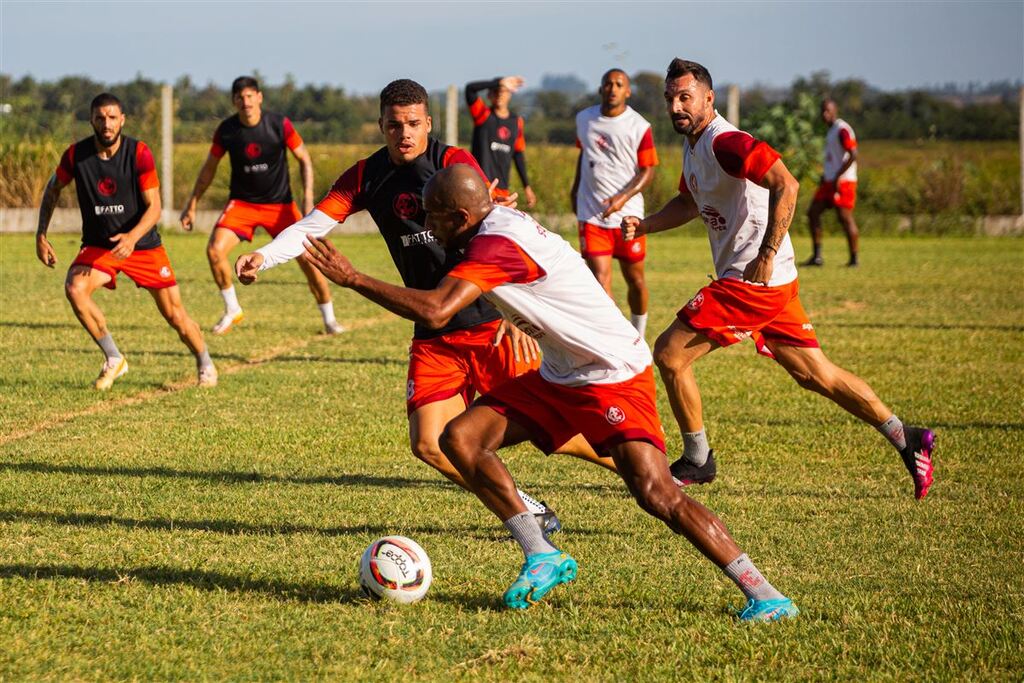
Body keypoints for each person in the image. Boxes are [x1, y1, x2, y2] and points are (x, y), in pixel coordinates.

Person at [298, 164, 798, 621]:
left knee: (656, 493)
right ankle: (541, 553)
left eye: (434, 217)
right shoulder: (491, 226)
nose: (426, 227)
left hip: (610, 372)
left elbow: (435, 310)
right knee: (461, 439)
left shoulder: (495, 245)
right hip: (562, 370)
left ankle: (765, 593)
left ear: (461, 216)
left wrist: (353, 278)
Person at [235, 79, 614, 531]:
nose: (404, 133)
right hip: (433, 332)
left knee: (559, 431)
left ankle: (647, 471)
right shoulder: (366, 176)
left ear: (428, 123)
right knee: (430, 443)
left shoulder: (453, 163)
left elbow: (501, 229)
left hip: (489, 322)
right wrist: (264, 255)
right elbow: (313, 225)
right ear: (381, 126)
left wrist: (519, 314)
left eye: (413, 123)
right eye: (394, 125)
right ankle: (526, 509)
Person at [621, 59, 935, 499]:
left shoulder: (727, 141)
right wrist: (647, 225)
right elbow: (690, 202)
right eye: (671, 98)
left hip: (753, 280)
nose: (676, 106)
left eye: (685, 97)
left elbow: (786, 184)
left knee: (670, 355)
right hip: (768, 282)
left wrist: (767, 253)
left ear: (708, 99)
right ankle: (907, 437)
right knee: (815, 374)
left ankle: (697, 460)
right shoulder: (694, 147)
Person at [35, 93, 217, 390]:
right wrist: (41, 234)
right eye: (99, 118)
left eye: (111, 117)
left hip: (143, 245)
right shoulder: (76, 156)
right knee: (75, 288)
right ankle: (113, 357)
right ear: (91, 120)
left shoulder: (138, 152)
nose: (106, 124)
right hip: (100, 246)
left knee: (175, 314)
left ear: (122, 120)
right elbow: (52, 189)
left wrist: (132, 238)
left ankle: (205, 361)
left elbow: (155, 207)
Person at [179, 76, 341, 335]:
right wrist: (192, 204)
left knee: (309, 261)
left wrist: (308, 198)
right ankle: (232, 309)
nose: (246, 102)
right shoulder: (227, 130)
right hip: (242, 204)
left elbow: (304, 159)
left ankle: (330, 319)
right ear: (234, 101)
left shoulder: (279, 124)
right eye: (240, 98)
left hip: (281, 206)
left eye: (250, 96)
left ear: (260, 97)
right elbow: (208, 169)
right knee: (214, 250)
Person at [571, 69, 659, 337]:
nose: (612, 88)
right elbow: (585, 155)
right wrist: (575, 189)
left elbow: (648, 171)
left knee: (635, 280)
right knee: (599, 281)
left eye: (619, 84)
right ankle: (614, 339)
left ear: (627, 91)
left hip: (628, 217)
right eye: (608, 84)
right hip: (592, 213)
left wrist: (622, 198)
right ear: (600, 89)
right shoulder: (584, 119)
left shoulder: (639, 126)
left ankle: (638, 333)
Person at [464, 76, 536, 208]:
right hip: (480, 185)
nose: (499, 94)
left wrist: (527, 186)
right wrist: (499, 82)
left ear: (510, 94)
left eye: (502, 91)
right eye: (495, 91)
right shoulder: (483, 115)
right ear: (489, 95)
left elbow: (518, 155)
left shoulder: (516, 122)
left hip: (502, 189)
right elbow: (470, 90)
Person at [805, 98, 860, 267]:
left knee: (845, 218)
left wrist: (837, 176)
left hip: (843, 182)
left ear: (835, 110)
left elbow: (853, 154)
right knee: (813, 212)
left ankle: (854, 259)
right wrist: (827, 174)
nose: (824, 114)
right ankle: (817, 257)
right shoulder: (831, 131)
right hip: (829, 181)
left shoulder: (842, 129)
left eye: (828, 110)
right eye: (822, 111)